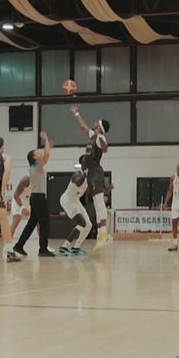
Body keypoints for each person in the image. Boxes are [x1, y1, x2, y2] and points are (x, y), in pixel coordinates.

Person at [70, 104, 111, 250]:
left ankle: (104, 233)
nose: (94, 124)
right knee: (96, 204)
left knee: (99, 203)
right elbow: (83, 127)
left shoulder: (100, 137)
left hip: (96, 172)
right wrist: (76, 113)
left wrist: (102, 140)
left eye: (97, 124)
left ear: (100, 128)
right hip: (91, 173)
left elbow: (105, 148)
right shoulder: (93, 136)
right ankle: (101, 235)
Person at [13, 131, 53, 257]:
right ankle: (43, 249)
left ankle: (19, 246)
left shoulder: (35, 167)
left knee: (31, 224)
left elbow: (46, 153)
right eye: (37, 153)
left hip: (35, 198)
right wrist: (46, 139)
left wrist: (48, 145)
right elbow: (47, 155)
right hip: (39, 198)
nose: (40, 153)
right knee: (45, 223)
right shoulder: (36, 166)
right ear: (34, 158)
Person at [57, 170, 92, 256]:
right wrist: (84, 175)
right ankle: (64, 247)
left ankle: (76, 248)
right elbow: (78, 182)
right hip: (67, 201)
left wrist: (106, 190)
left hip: (76, 201)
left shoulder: (88, 180)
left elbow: (88, 191)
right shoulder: (78, 174)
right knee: (82, 223)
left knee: (88, 225)